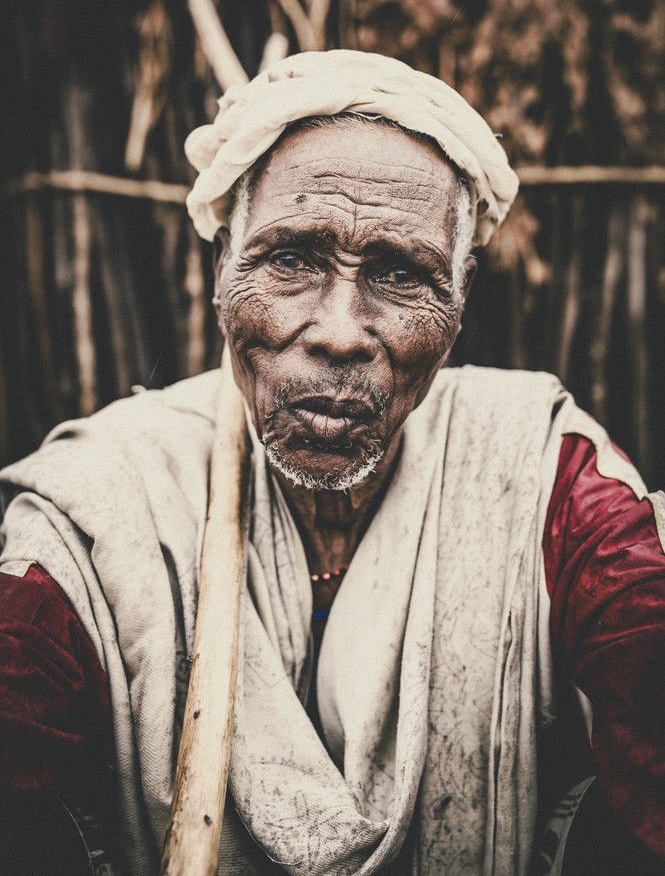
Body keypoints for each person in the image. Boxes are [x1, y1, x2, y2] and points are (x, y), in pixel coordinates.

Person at [1, 50, 664, 876]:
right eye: (291, 260)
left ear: (458, 302)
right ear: (220, 273)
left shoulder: (541, 472)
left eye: (399, 273)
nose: (340, 332)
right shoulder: (101, 502)